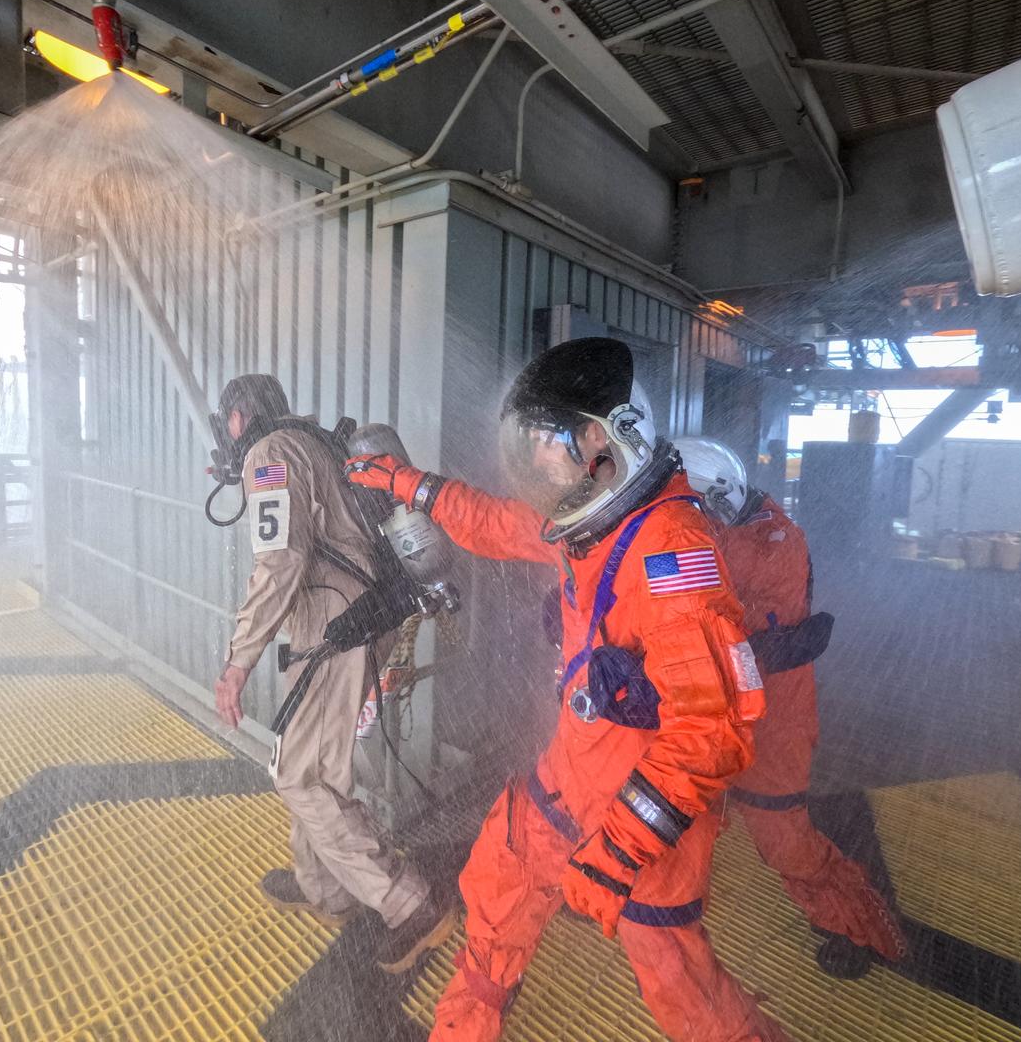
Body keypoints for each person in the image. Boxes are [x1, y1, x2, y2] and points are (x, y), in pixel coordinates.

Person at [347, 339, 789, 1042]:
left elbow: (712, 732)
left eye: (543, 451)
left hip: (646, 818)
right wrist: (404, 483)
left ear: (602, 439)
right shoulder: (588, 526)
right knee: (498, 886)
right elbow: (492, 522)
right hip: (571, 782)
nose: (534, 471)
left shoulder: (672, 554)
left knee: (675, 974)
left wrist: (619, 848)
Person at [212, 374, 454, 973]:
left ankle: (410, 903)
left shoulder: (270, 454)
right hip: (347, 617)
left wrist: (237, 662)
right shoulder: (311, 442)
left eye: (229, 424)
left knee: (303, 778)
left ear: (240, 418)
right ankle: (326, 886)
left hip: (333, 625)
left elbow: (281, 561)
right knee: (304, 759)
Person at [676, 437, 908, 977]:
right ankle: (666, 927)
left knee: (784, 841)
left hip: (771, 722)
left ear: (715, 499)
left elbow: (743, 630)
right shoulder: (703, 531)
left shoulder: (776, 540)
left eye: (686, 506)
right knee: (676, 829)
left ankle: (852, 923)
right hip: (706, 714)